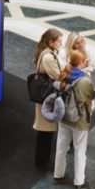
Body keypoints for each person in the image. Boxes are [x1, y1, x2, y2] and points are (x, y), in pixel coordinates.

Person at [52, 50, 95, 189]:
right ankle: (79, 183)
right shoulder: (84, 80)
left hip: (63, 117)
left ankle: (58, 175)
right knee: (80, 151)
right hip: (79, 120)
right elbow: (92, 95)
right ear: (82, 63)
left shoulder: (63, 74)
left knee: (61, 147)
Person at [32, 28, 63, 169]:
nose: (60, 44)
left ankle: (42, 161)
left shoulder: (45, 53)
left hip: (43, 97)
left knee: (44, 132)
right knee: (45, 132)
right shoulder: (48, 57)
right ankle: (42, 162)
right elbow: (58, 75)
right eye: (59, 41)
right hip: (47, 98)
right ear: (51, 42)